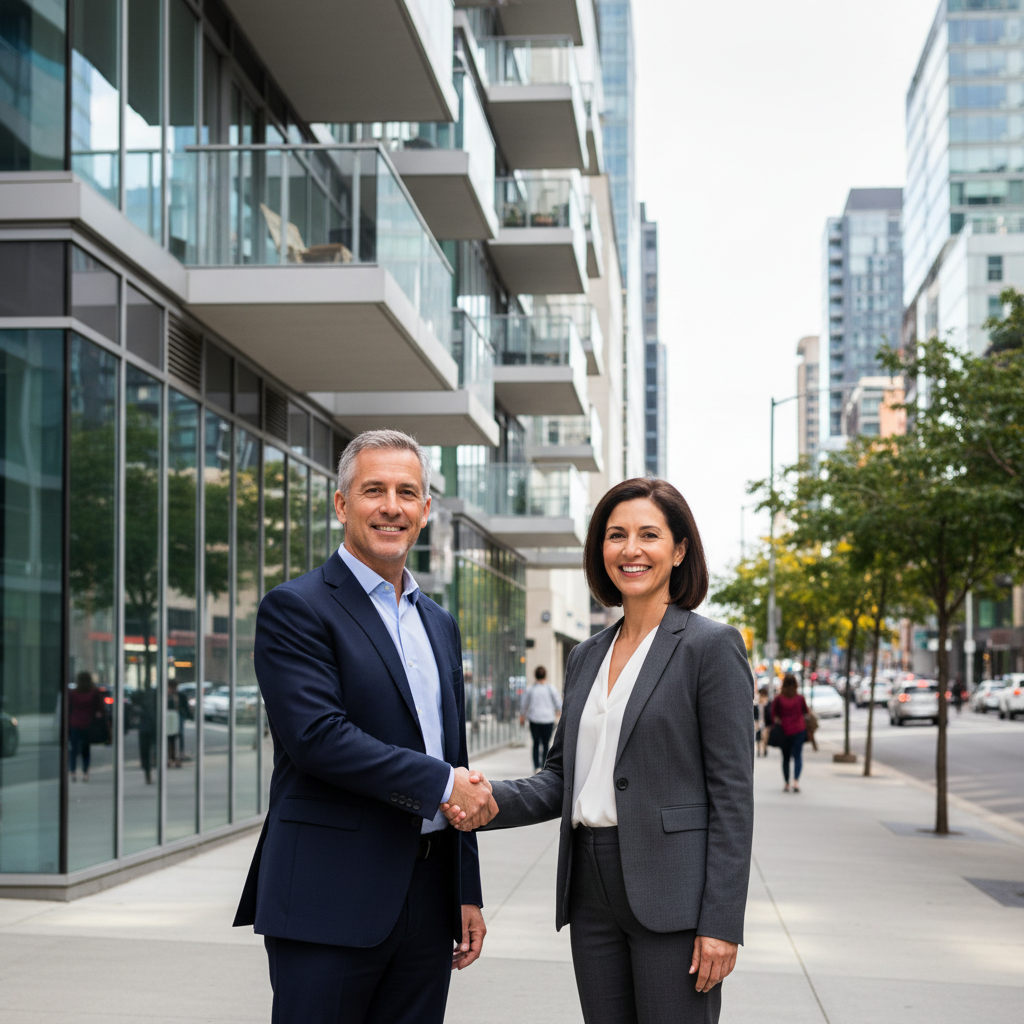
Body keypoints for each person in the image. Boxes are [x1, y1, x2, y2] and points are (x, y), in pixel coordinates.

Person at [445, 478, 755, 1024]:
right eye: (616, 535)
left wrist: (722, 921)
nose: (630, 549)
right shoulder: (588, 655)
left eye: (648, 535)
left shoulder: (710, 646)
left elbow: (733, 797)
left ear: (679, 550)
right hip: (590, 888)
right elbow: (563, 776)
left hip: (673, 894)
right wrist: (490, 799)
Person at [233, 430, 497, 1024]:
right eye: (373, 489)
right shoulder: (297, 608)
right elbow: (318, 737)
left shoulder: (440, 623)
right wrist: (441, 783)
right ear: (342, 504)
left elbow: (453, 755)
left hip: (429, 901)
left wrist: (466, 889)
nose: (391, 506)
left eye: (407, 492)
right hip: (329, 894)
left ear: (426, 511)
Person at [521, 666, 562, 771]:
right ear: (545, 675)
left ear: (535, 675)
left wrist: (522, 715)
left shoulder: (530, 689)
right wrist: (560, 711)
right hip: (548, 720)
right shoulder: (551, 688)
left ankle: (536, 766)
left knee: (535, 743)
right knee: (546, 744)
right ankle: (544, 766)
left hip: (534, 719)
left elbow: (524, 704)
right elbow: (558, 703)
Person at [772, 674, 809, 793]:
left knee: (786, 758)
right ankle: (796, 782)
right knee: (798, 756)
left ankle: (787, 783)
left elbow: (773, 715)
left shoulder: (779, 699)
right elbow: (806, 712)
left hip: (784, 731)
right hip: (799, 730)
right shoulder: (800, 698)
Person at [68, 671, 104, 782]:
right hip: (88, 724)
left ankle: (73, 772)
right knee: (86, 750)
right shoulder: (94, 693)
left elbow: (69, 709)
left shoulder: (73, 693)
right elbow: (100, 709)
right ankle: (85, 773)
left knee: (73, 750)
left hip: (75, 723)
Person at [755, 687, 770, 757]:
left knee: (765, 737)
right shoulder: (757, 705)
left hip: (765, 723)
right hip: (758, 722)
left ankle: (764, 749)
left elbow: (769, 715)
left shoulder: (768, 705)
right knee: (758, 736)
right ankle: (758, 750)